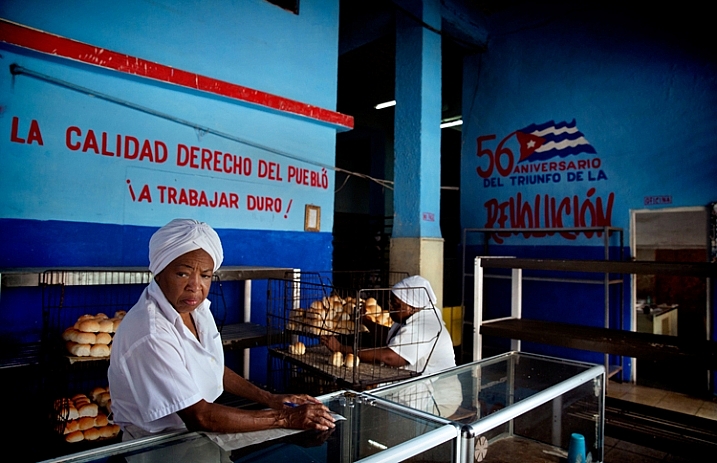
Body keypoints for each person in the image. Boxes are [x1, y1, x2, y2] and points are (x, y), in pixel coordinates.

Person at [108, 219, 335, 440]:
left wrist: (270, 398)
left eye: (205, 275)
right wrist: (284, 418)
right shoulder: (151, 333)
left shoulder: (195, 309)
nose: (195, 286)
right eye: (183, 273)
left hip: (196, 433)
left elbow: (210, 366)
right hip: (156, 445)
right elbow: (200, 416)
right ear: (159, 272)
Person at [323, 275, 461, 417]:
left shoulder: (425, 325)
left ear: (412, 307)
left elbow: (391, 357)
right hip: (421, 390)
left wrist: (342, 349)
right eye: (391, 302)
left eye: (396, 304)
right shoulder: (410, 318)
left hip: (438, 399)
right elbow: (392, 337)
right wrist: (367, 321)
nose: (390, 307)